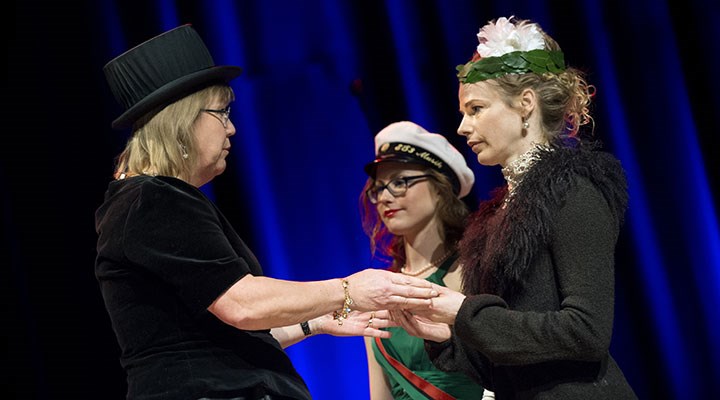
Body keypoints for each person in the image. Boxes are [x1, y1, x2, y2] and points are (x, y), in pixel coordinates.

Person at [95, 24, 439, 400]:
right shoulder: (154, 200)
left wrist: (316, 322)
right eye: (221, 113)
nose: (232, 129)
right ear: (183, 121)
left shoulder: (149, 201)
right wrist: (348, 290)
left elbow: (223, 339)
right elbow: (242, 305)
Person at [390, 16, 638, 399]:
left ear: (525, 105)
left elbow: (585, 332)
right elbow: (507, 366)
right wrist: (446, 338)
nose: (462, 126)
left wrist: (464, 313)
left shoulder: (573, 190)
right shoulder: (501, 214)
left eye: (475, 109)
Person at [359, 121, 492, 399]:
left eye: (399, 182)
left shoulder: (476, 272)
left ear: (440, 187)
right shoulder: (377, 292)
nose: (384, 197)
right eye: (379, 188)